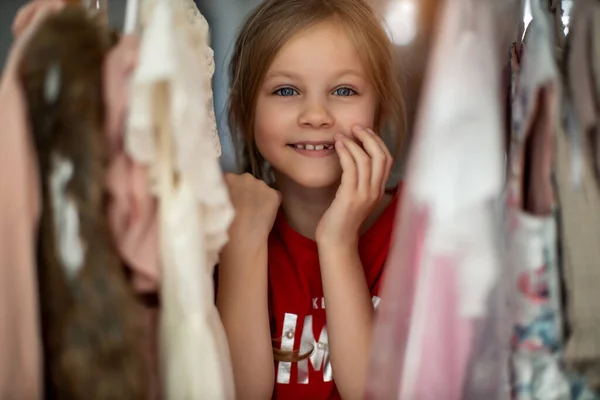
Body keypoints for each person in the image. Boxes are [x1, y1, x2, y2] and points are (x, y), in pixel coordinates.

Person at [218, 0, 406, 399]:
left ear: (380, 109)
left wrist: (338, 241)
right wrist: (243, 246)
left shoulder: (416, 231)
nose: (316, 115)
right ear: (243, 110)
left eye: (343, 90)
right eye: (286, 90)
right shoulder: (223, 231)